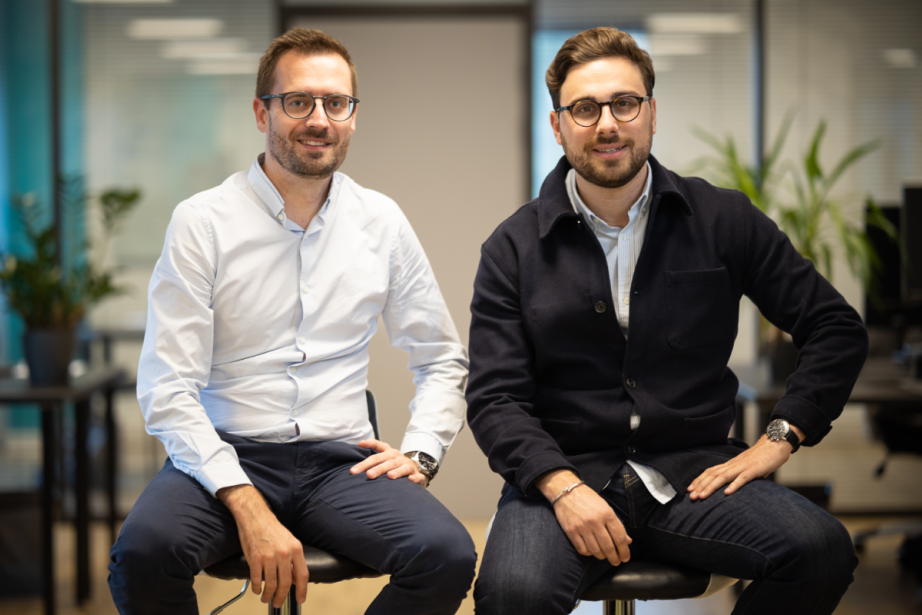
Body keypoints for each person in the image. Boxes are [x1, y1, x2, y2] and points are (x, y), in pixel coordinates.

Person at [467, 27, 867, 615]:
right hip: (561, 478)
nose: (607, 124)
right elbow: (496, 399)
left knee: (821, 550)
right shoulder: (513, 247)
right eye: (584, 108)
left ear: (651, 115)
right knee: (511, 595)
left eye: (624, 104)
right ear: (557, 125)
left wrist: (780, 438)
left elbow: (834, 326)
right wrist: (562, 486)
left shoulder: (722, 219)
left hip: (695, 476)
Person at [108, 28, 475, 615]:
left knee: (446, 554)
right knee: (143, 556)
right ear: (263, 112)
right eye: (298, 101)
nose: (319, 119)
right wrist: (248, 504)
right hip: (224, 453)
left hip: (341, 463)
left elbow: (440, 356)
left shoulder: (380, 221)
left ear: (353, 117)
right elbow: (167, 386)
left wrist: (422, 452)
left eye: (337, 103)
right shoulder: (202, 222)